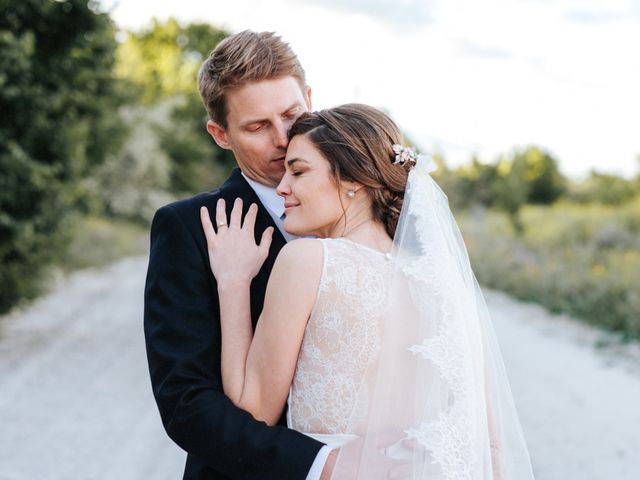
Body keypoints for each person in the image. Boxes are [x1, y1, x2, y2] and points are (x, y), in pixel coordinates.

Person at [200, 104, 536, 479]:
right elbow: (489, 446)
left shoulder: (309, 261)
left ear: (353, 181)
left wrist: (232, 283)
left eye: (298, 171)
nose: (282, 187)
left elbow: (252, 412)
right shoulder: (444, 285)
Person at [144, 30, 334, 479]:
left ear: (309, 98)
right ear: (220, 134)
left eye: (292, 114)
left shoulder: (367, 208)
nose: (285, 138)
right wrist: (322, 465)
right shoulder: (187, 227)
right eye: (257, 126)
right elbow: (187, 404)